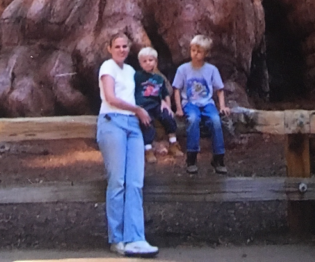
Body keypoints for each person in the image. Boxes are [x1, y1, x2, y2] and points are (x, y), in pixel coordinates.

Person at [97, 32, 159, 258]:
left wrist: (163, 104)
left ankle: (136, 237)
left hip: (133, 126)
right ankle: (117, 238)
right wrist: (137, 109)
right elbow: (111, 97)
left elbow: (150, 88)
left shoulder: (132, 71)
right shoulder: (107, 67)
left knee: (135, 181)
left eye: (125, 46)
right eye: (117, 46)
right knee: (118, 181)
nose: (122, 50)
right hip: (112, 121)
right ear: (109, 48)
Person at [172, 34, 230, 174]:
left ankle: (218, 157)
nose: (195, 54)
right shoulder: (183, 69)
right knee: (193, 119)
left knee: (215, 120)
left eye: (199, 51)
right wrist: (179, 108)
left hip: (207, 103)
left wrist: (222, 106)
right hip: (190, 103)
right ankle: (191, 158)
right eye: (193, 50)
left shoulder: (212, 70)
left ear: (206, 54)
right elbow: (176, 89)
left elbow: (219, 89)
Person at [134, 47, 181, 161]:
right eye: (144, 61)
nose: (148, 63)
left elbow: (165, 93)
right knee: (147, 123)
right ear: (140, 63)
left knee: (168, 117)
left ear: (155, 61)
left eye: (150, 60)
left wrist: (168, 107)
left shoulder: (159, 78)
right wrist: (136, 107)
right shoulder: (137, 76)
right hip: (143, 106)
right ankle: (148, 149)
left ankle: (173, 143)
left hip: (156, 104)